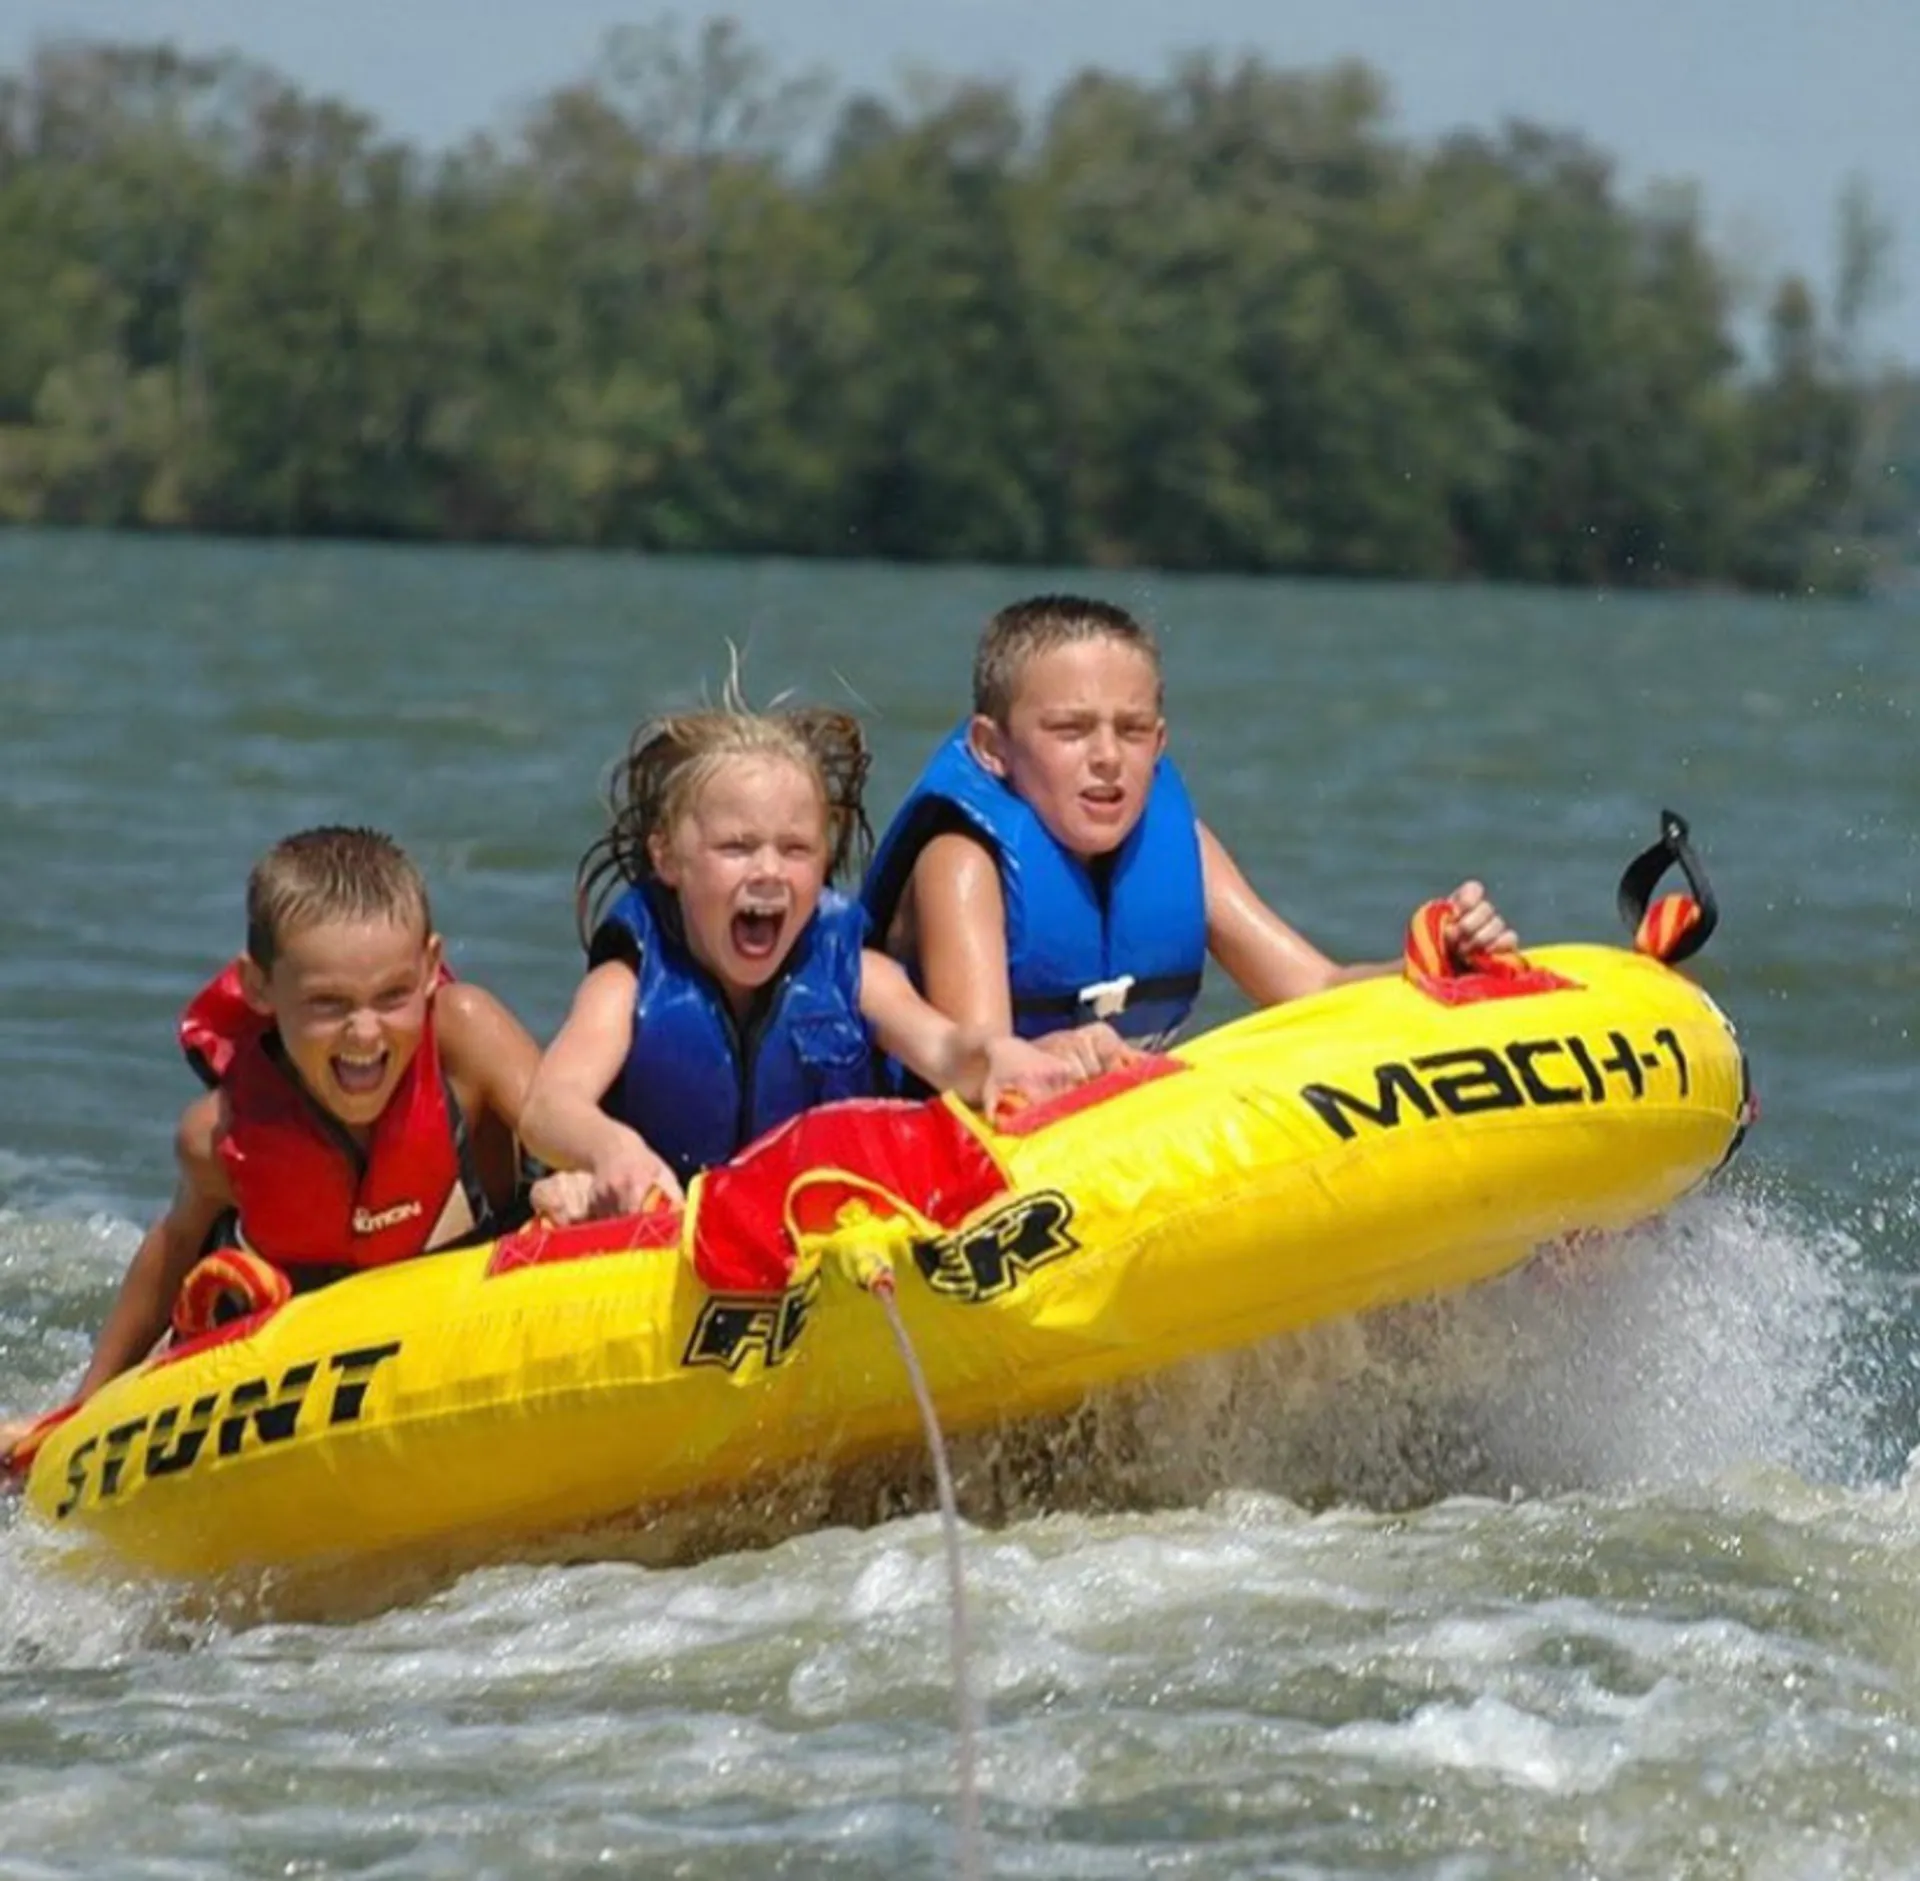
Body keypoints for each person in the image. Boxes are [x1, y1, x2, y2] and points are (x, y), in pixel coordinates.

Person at [0, 826, 541, 1465]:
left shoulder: (466, 1041)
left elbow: (566, 1120)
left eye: (391, 995)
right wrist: (81, 1411)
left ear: (430, 967)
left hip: (465, 1304)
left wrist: (594, 1177)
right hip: (301, 1363)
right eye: (327, 1003)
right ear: (258, 988)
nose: (363, 1032)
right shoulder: (219, 1139)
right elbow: (171, 1249)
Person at [519, 698, 1122, 1225]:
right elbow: (549, 1106)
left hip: (817, 1228)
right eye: (736, 847)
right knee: (564, 1194)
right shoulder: (627, 984)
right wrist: (611, 1151)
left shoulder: (857, 974)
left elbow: (943, 1049)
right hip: (664, 1225)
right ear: (668, 860)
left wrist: (999, 1058)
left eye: (796, 849)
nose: (768, 871)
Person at [861, 593, 1517, 1049]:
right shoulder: (961, 861)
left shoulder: (1180, 852)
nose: (1108, 758)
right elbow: (978, 1067)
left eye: (1133, 730)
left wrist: (1435, 965)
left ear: (1161, 739)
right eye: (1070, 730)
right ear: (992, 747)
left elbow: (1319, 989)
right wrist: (1063, 1056)